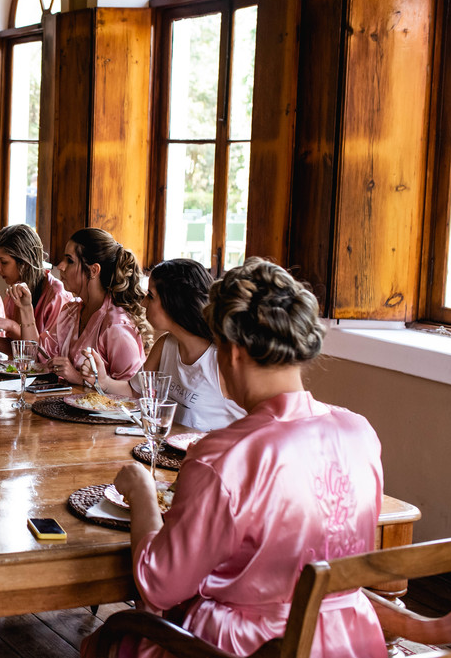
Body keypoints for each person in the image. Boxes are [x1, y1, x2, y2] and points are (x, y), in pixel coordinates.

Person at [93, 258, 386, 658]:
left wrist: (142, 491)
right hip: (349, 641)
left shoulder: (222, 456)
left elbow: (159, 584)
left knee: (104, 640)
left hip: (244, 648)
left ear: (230, 352)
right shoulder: (361, 434)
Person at [18, 227, 151, 390]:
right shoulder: (71, 311)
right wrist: (25, 308)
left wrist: (79, 378)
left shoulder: (116, 326)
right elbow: (36, 357)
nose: (60, 266)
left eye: (70, 260)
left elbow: (135, 392)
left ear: (93, 270)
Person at [138, 258, 243, 431]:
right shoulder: (165, 344)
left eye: (150, 295)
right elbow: (136, 390)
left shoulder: (222, 358)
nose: (143, 303)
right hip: (168, 453)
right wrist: (102, 379)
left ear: (174, 302)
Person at [0, 223, 73, 354]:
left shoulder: (56, 295)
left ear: (25, 263)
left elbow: (45, 354)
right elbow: (16, 350)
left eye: (3, 262)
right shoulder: (14, 291)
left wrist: (12, 326)